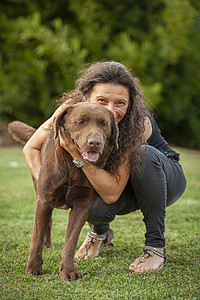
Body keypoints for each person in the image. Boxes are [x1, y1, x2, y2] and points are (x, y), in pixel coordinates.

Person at [23, 61, 187, 274]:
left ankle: (155, 247)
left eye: (120, 103)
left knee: (144, 155)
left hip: (161, 179)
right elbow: (31, 148)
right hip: (118, 180)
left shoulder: (140, 124)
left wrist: (76, 155)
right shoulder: (69, 112)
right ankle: (98, 234)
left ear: (130, 103)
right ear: (85, 97)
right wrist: (48, 189)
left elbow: (111, 193)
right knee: (90, 202)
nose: (111, 109)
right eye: (102, 100)